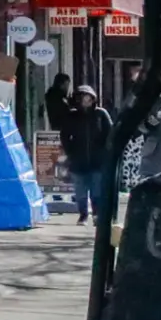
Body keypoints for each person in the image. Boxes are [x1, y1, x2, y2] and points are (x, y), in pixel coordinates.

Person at [61, 83, 115, 225]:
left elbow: (110, 133)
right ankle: (83, 215)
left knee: (97, 190)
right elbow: (65, 136)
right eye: (82, 97)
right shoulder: (72, 116)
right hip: (78, 161)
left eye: (88, 97)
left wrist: (106, 151)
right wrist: (70, 152)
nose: (86, 100)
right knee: (80, 191)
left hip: (97, 161)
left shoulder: (100, 114)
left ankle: (97, 214)